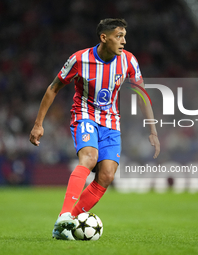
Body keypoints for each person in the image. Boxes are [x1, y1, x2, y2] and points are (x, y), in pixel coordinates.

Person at [29, 18, 160, 240]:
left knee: (107, 175)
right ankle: (64, 216)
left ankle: (64, 226)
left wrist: (153, 130)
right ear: (104, 38)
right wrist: (38, 124)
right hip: (84, 116)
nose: (124, 41)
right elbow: (53, 88)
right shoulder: (79, 59)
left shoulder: (128, 61)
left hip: (111, 122)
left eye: (124, 36)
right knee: (89, 157)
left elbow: (141, 94)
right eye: (119, 36)